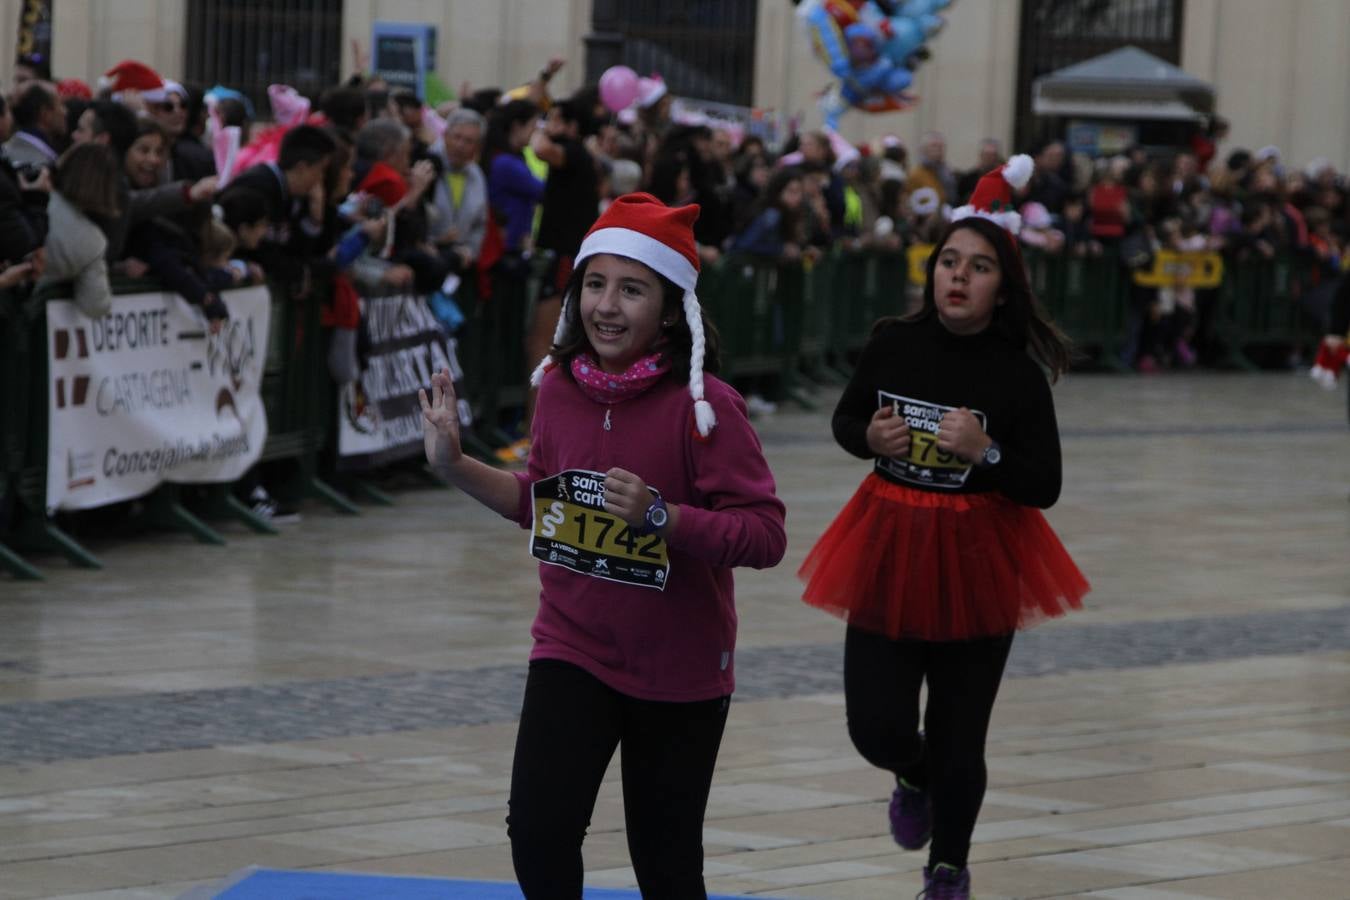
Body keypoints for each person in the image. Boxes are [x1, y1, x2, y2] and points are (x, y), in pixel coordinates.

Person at [419, 193, 786, 897]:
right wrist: (452, 465)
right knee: (538, 832)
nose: (607, 306)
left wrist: (664, 518)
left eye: (631, 288)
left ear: (671, 307)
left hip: (679, 667)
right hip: (571, 645)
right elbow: (540, 502)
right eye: (594, 284)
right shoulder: (557, 389)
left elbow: (765, 536)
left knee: (667, 862)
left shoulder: (705, 407)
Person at [798, 157, 1089, 900]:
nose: (958, 278)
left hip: (978, 554)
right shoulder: (895, 341)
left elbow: (1044, 484)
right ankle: (912, 772)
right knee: (876, 726)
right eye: (948, 262)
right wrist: (870, 439)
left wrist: (984, 452)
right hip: (889, 544)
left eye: (979, 267)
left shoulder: (1016, 376)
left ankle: (948, 867)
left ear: (1003, 287)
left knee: (962, 734)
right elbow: (845, 417)